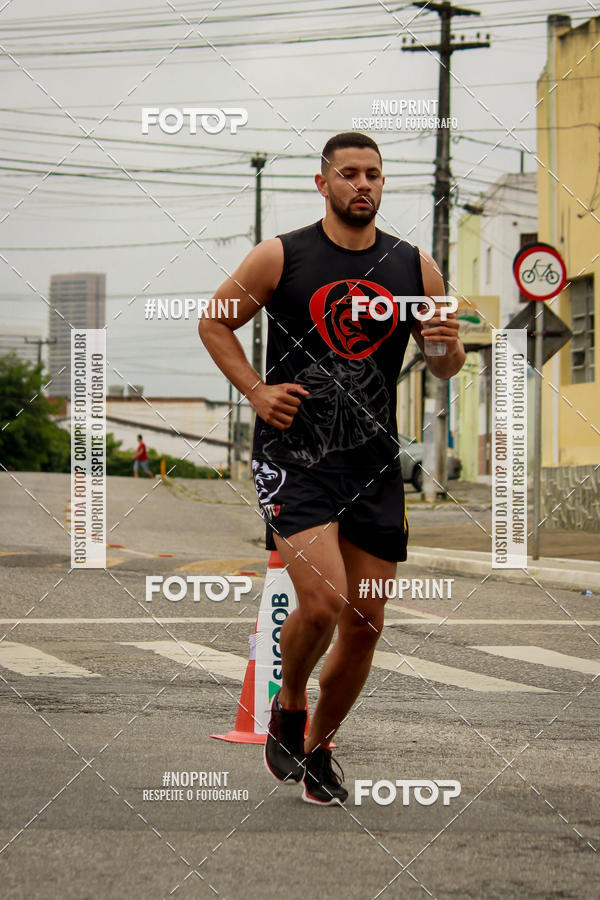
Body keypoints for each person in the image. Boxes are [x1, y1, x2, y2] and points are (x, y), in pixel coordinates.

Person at [199, 132, 465, 805]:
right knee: (323, 600)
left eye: (373, 175)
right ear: (324, 184)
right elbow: (214, 323)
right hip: (295, 456)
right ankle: (289, 699)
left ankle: (317, 749)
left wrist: (447, 349)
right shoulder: (282, 256)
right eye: (348, 174)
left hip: (373, 463)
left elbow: (443, 366)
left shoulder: (415, 269)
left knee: (366, 620)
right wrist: (257, 391)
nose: (363, 185)